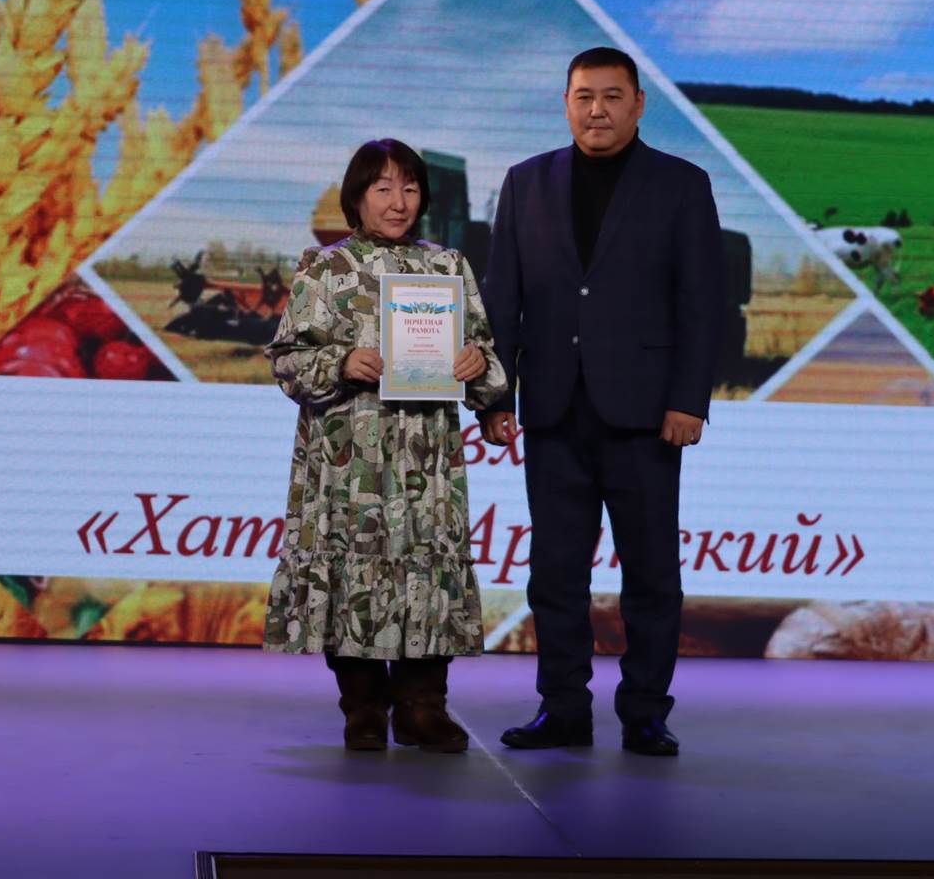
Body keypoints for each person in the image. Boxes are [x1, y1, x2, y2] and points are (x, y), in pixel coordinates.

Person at [478, 47, 726, 757]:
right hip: (553, 412)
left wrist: (689, 401)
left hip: (648, 416)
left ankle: (645, 713)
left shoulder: (681, 185)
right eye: (584, 96)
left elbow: (701, 304)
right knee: (555, 575)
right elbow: (503, 298)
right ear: (566, 103)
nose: (597, 110)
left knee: (651, 574)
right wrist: (494, 397)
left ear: (639, 105)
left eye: (613, 96)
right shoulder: (526, 182)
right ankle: (563, 710)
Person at [263, 138, 508, 753]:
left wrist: (478, 364)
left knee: (427, 566)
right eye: (383, 188)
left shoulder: (448, 266)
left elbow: (487, 357)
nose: (399, 202)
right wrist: (342, 362)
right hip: (349, 457)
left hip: (427, 455)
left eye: (410, 188)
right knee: (354, 570)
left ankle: (424, 707)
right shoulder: (324, 268)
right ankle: (363, 707)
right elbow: (287, 362)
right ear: (357, 197)